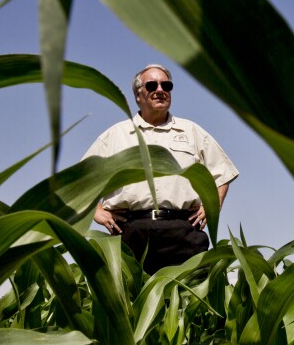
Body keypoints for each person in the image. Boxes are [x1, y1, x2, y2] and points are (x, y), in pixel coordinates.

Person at [83, 64, 239, 273]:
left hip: (183, 231)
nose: (160, 90)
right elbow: (82, 180)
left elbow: (223, 173)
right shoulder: (115, 135)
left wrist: (213, 206)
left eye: (166, 85)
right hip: (130, 232)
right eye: (152, 85)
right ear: (138, 95)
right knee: (132, 301)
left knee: (189, 299)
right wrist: (97, 212)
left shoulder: (191, 131)